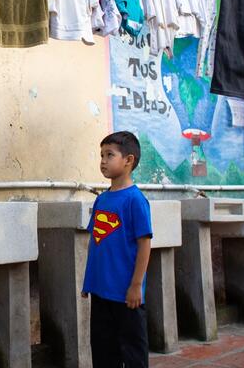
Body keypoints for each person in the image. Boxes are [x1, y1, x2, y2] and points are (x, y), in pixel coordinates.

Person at [82, 131, 153, 368]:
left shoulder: (135, 200)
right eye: (101, 155)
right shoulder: (101, 201)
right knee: (103, 353)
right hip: (101, 294)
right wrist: (88, 282)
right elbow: (96, 244)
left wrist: (135, 285)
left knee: (133, 354)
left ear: (128, 160)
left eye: (109, 155)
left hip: (126, 297)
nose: (103, 160)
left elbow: (144, 244)